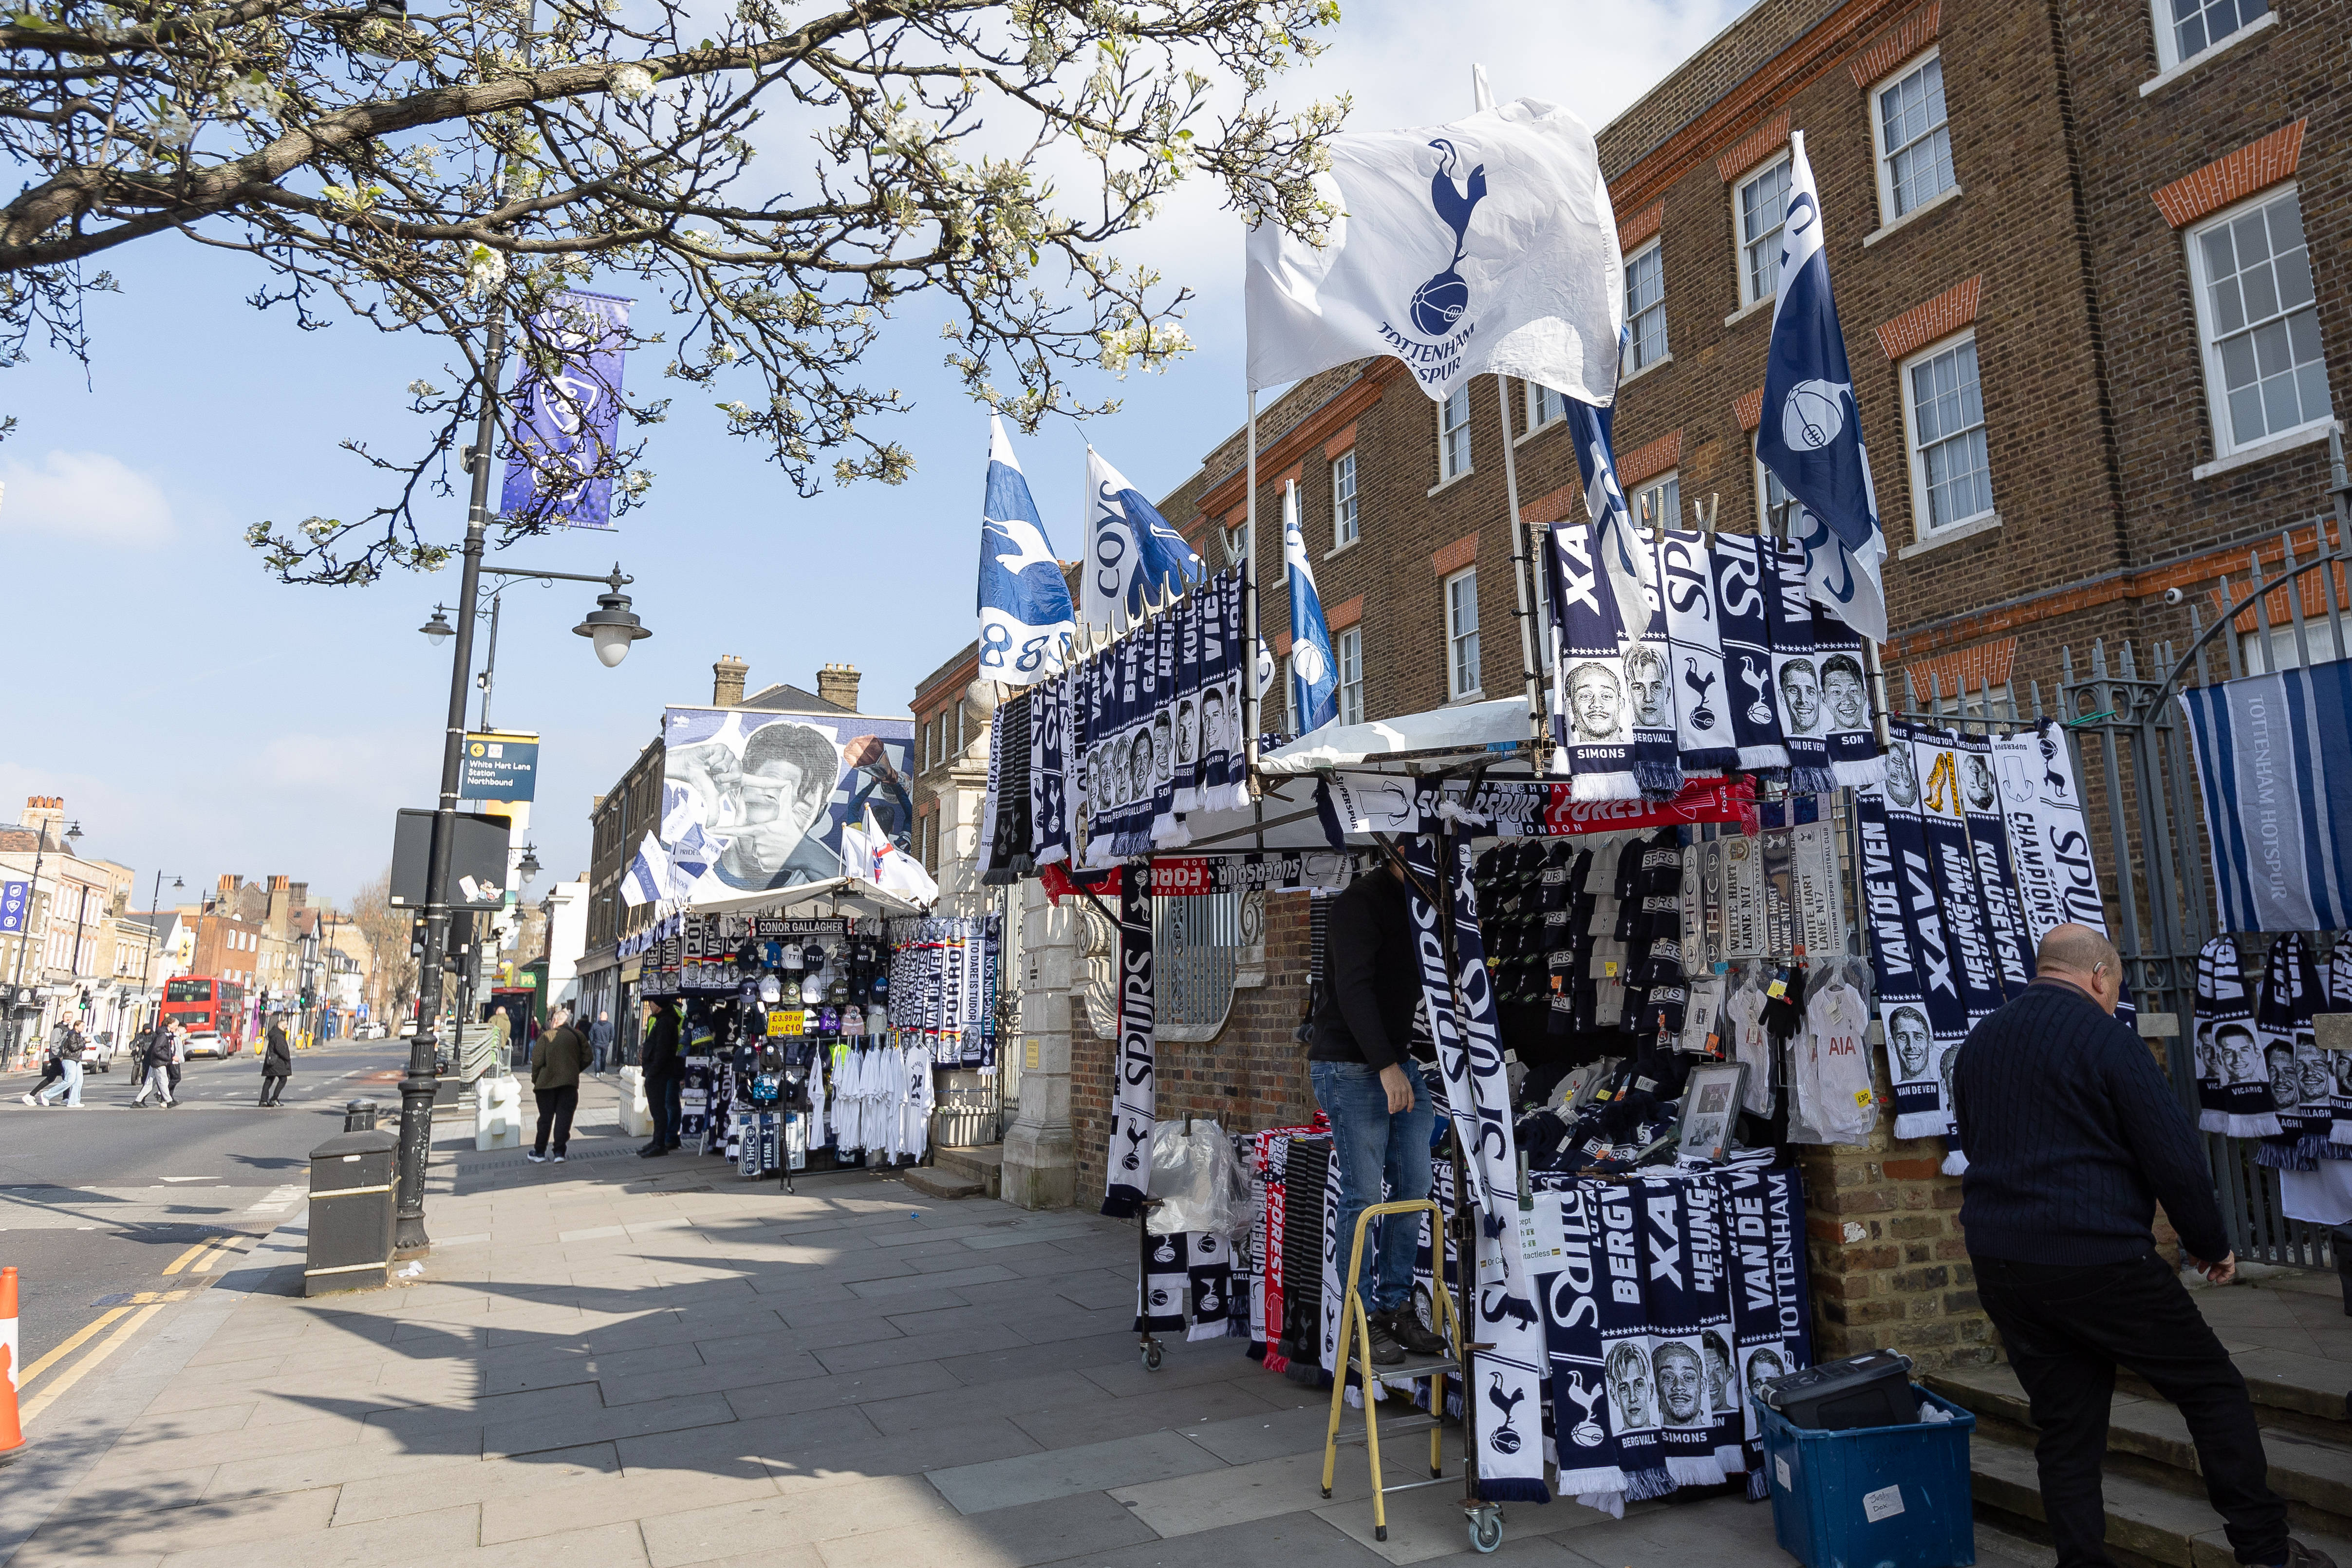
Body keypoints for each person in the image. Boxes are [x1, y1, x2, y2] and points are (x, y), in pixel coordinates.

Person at [1955, 923, 2335, 1568]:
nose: (2112, 999)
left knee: (2066, 1428)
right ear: (2099, 977)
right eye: (2115, 989)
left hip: (2002, 1263)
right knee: (2212, 1390)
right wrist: (2208, 1244)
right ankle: (2267, 1553)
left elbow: (1976, 1142)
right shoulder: (2108, 1039)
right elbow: (2174, 1161)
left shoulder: (1978, 1042)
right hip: (2098, 1260)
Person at [1308, 856, 1447, 1366]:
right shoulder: (1359, 903)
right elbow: (1353, 988)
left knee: (1415, 1183)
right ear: (1400, 852)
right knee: (1365, 1193)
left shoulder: (1422, 902)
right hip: (1350, 1064)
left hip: (1397, 1060)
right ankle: (1360, 1316)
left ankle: (1395, 1304)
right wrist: (1386, 1064)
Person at [527, 1005, 588, 1163]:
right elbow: (588, 1057)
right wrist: (574, 1070)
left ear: (555, 1021)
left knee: (546, 1119)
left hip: (546, 1085)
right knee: (564, 1118)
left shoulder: (547, 1036)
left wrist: (536, 1080)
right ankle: (559, 1153)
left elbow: (537, 1061)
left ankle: (539, 1153)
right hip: (569, 1084)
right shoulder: (578, 1036)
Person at [637, 999, 686, 1157]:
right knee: (657, 1108)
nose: (650, 1006)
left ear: (658, 1005)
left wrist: (654, 1070)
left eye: (652, 1003)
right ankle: (656, 1141)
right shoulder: (660, 1020)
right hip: (656, 1070)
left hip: (660, 1072)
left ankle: (660, 1143)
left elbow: (663, 1050)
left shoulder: (666, 1022)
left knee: (661, 1108)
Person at [1567, 662, 1625, 743]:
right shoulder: (1563, 755)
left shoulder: (1640, 754)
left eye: (1606, 696)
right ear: (1569, 705)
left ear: (1621, 704)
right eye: (1585, 696)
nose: (1597, 704)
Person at [27, 1026, 83, 1107]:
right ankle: (38, 1095)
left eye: (70, 1017)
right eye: (67, 1017)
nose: (69, 1018)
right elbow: (55, 1045)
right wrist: (59, 1056)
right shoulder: (59, 1030)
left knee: (67, 1079)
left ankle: (66, 1099)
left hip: (66, 1058)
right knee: (56, 1079)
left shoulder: (69, 1031)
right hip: (58, 1058)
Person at [134, 1023, 180, 1107]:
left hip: (155, 1061)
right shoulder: (163, 1035)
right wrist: (169, 1058)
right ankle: (169, 1101)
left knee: (150, 1083)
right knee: (163, 1081)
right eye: (175, 1025)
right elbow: (157, 1050)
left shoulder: (163, 1034)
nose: (176, 1028)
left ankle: (138, 1101)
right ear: (170, 1025)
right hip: (159, 1062)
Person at [259, 1014, 293, 1107]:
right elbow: (281, 1050)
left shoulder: (277, 1034)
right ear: (281, 1026)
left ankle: (264, 1100)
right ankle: (274, 1098)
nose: (287, 1027)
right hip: (277, 1063)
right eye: (286, 1025)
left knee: (269, 1080)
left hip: (273, 1062)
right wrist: (287, 1057)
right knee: (283, 1079)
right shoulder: (278, 1036)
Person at [589, 1010, 615, 1077]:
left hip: (597, 1044)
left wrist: (593, 1042)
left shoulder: (595, 1025)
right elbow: (612, 1035)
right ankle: (603, 1071)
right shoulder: (610, 1025)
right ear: (607, 1017)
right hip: (605, 1044)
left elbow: (591, 1034)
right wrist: (609, 1041)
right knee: (603, 1058)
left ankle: (597, 1072)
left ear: (600, 1017)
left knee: (597, 1059)